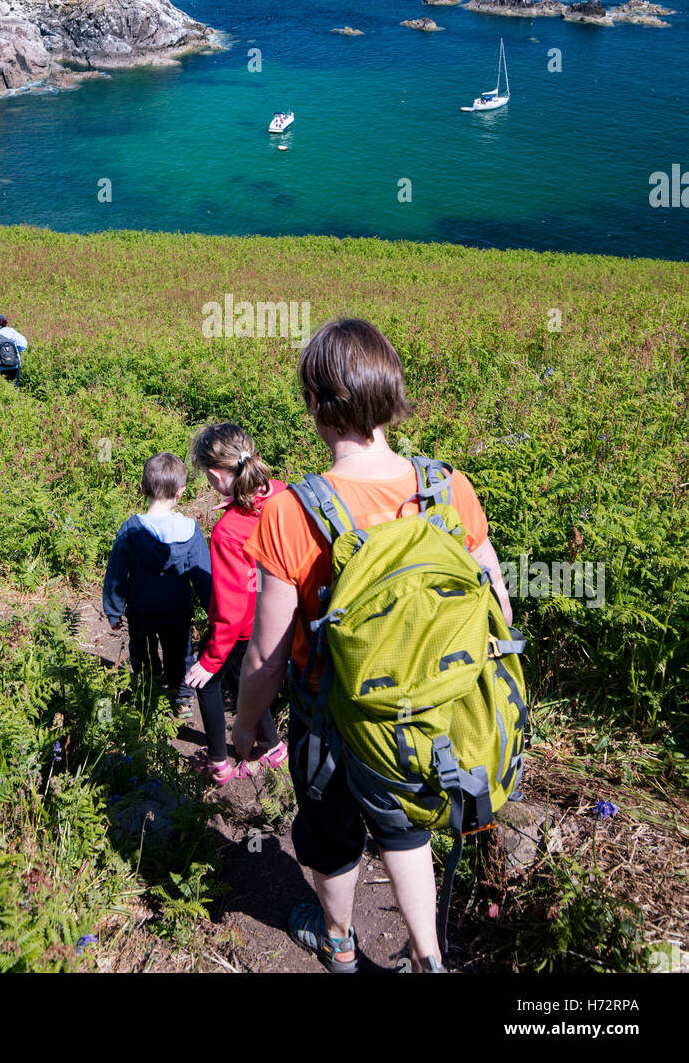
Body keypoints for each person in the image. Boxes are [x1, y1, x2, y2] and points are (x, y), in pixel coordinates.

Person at [234, 318, 513, 974]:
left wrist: (248, 723)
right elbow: (496, 609)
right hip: (432, 711)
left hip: (330, 717)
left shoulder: (292, 511)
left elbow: (266, 655)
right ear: (390, 396)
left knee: (331, 839)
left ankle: (338, 940)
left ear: (314, 405)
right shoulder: (447, 488)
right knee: (403, 825)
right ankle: (426, 955)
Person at [184, 423, 289, 785]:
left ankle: (220, 762)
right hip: (286, 617)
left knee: (207, 681)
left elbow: (229, 610)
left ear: (215, 474)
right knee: (247, 680)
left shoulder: (228, 532)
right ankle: (273, 747)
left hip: (246, 626)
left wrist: (210, 660)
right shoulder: (283, 494)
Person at [103, 452, 211, 715]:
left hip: (141, 609)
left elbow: (117, 572)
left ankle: (147, 688)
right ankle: (183, 697)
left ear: (142, 488)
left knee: (142, 648)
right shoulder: (190, 529)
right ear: (181, 492)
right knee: (180, 651)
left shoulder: (131, 529)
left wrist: (113, 610)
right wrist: (214, 610)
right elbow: (202, 575)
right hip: (178, 610)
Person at [0, 315, 27, 386]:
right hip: (15, 365)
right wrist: (16, 350)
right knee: (15, 386)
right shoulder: (13, 332)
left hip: (2, 366)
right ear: (6, 323)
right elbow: (24, 345)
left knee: (3, 387)